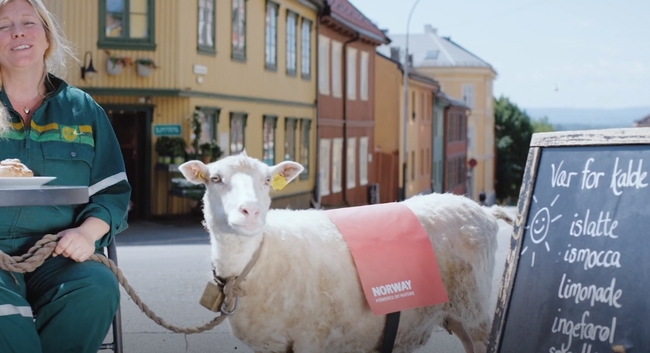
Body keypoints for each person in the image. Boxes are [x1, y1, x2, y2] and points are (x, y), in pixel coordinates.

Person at [0, 0, 131, 352]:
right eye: (3, 26)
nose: (17, 33)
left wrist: (87, 234)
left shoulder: (83, 110)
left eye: (28, 22)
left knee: (97, 287)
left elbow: (113, 192)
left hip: (58, 252)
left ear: (47, 36)